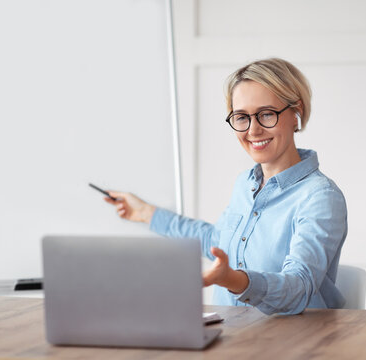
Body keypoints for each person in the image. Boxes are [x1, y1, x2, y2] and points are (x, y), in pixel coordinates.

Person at [104, 58, 347, 315]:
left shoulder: (320, 197)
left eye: (266, 114)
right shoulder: (245, 184)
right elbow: (216, 242)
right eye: (242, 117)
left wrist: (232, 279)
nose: (253, 130)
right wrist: (144, 213)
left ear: (295, 112)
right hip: (230, 333)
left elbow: (298, 287)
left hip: (290, 342)